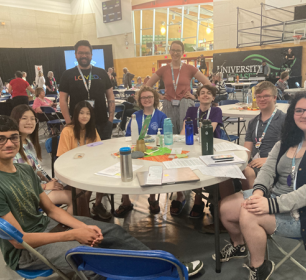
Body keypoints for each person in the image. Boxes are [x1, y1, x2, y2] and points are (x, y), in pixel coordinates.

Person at [0, 115, 203, 278]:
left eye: (13, 137)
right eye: (2, 138)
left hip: (46, 227)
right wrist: (74, 234)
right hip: (25, 251)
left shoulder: (25, 171)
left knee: (113, 232)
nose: (9, 143)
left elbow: (52, 210)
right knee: (93, 260)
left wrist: (82, 227)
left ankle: (168, 267)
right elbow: (19, 241)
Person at [214, 91, 306, 280]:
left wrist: (270, 205)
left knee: (249, 214)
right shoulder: (285, 143)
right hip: (274, 199)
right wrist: (258, 193)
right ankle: (239, 246)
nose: (305, 115)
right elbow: (267, 171)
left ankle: (259, 268)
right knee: (226, 207)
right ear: (292, 114)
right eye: (300, 110)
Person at [202, 81, 286, 233]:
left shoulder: (284, 120)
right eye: (258, 96)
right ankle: (228, 217)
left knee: (247, 172)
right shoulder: (253, 122)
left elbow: (290, 151)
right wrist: (241, 161)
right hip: (255, 162)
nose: (261, 99)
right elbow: (247, 150)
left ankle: (253, 216)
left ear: (275, 98)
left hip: (275, 165)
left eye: (266, 96)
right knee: (225, 170)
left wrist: (268, 160)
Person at [10, 105, 72, 214]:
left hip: (38, 186)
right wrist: (45, 186)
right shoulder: (11, 148)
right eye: (24, 118)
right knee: (72, 198)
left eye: (33, 118)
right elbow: (17, 183)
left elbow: (36, 168)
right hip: (27, 195)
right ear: (15, 120)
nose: (29, 122)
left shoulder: (28, 143)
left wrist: (47, 179)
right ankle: (69, 227)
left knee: (74, 190)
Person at [115, 87, 167, 217]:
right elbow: (128, 136)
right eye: (143, 97)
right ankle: (126, 201)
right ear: (139, 100)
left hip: (154, 151)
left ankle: (153, 199)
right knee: (124, 166)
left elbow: (165, 136)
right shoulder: (135, 116)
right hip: (136, 149)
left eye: (149, 97)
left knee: (154, 168)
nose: (147, 100)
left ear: (154, 98)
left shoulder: (161, 116)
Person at [57, 101, 111, 219]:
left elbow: (99, 149)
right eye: (81, 113)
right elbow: (62, 157)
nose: (84, 116)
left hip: (88, 167)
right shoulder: (68, 131)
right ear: (76, 114)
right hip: (71, 169)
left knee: (103, 175)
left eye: (88, 113)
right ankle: (84, 214)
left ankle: (95, 205)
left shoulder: (91, 130)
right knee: (84, 187)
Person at [175, 85, 222, 217]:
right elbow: (184, 130)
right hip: (192, 146)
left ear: (213, 97)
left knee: (199, 163)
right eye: (202, 93)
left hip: (210, 147)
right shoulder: (191, 110)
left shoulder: (216, 111)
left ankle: (198, 200)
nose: (205, 95)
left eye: (208, 93)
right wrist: (180, 143)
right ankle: (183, 196)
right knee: (180, 160)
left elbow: (208, 132)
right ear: (198, 96)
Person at [146, 40, 211, 134]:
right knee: (169, 133)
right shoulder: (163, 69)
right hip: (168, 103)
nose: (175, 53)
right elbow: (147, 86)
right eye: (173, 50)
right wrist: (158, 95)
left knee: (185, 133)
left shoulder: (190, 68)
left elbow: (208, 83)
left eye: (178, 50)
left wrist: (196, 96)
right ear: (170, 51)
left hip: (185, 102)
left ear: (182, 52)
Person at [59, 40, 115, 141]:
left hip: (101, 123)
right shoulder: (67, 75)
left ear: (91, 55)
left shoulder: (102, 73)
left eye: (87, 53)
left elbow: (110, 97)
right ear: (75, 55)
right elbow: (62, 100)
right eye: (80, 53)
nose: (84, 55)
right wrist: (69, 123)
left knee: (102, 154)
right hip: (78, 124)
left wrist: (110, 120)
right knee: (80, 155)